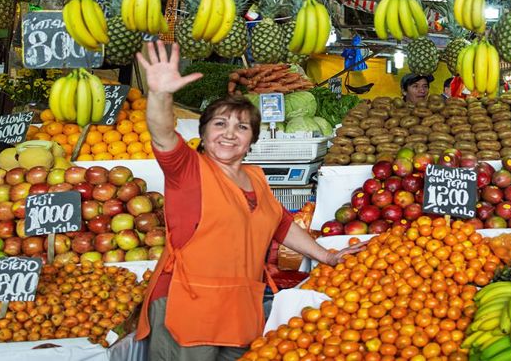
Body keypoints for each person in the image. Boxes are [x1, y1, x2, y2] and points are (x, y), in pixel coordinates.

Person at [133, 41, 365, 360]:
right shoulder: (188, 170)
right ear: (203, 133)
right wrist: (159, 94)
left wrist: (327, 257)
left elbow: (280, 224)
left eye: (241, 127)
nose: (230, 134)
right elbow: (161, 134)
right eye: (220, 124)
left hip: (241, 310)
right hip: (188, 306)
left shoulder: (256, 177)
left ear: (251, 141)